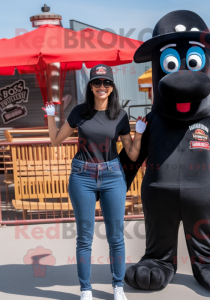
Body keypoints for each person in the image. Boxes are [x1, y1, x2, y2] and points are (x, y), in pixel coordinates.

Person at [42, 64, 147, 300]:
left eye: (106, 83)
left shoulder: (120, 114)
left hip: (112, 176)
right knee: (84, 236)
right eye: (97, 82)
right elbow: (56, 140)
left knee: (116, 236)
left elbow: (131, 154)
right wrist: (50, 117)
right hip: (82, 175)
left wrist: (139, 133)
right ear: (90, 86)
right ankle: (85, 289)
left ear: (112, 88)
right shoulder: (80, 112)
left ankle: (118, 287)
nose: (102, 86)